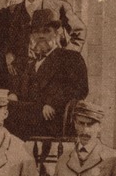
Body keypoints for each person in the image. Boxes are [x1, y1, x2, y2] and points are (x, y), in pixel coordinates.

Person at [6, 8, 89, 140]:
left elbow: (80, 89)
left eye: (46, 31)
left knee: (5, 114)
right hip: (28, 114)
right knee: (2, 108)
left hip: (52, 117)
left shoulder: (70, 57)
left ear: (58, 34)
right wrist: (14, 94)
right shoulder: (31, 63)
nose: (41, 36)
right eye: (36, 32)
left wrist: (53, 103)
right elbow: (22, 88)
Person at [5, 0, 86, 77]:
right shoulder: (13, 11)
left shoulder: (59, 7)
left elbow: (80, 31)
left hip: (52, 73)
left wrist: (65, 57)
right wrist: (8, 54)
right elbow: (6, 40)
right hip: (21, 76)